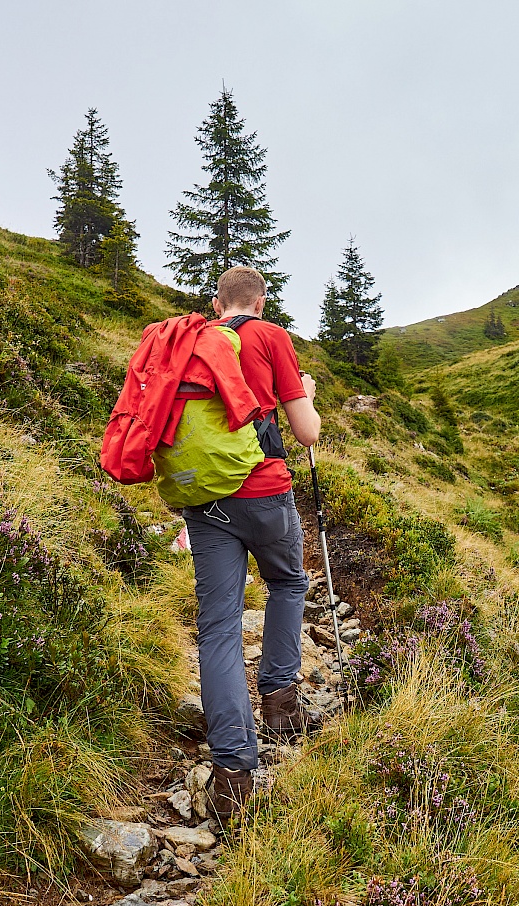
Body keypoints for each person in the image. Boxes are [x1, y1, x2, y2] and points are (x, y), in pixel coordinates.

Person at [183, 265, 322, 829]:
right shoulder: (270, 337)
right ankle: (280, 703)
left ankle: (233, 776)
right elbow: (306, 431)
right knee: (288, 582)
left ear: (217, 302)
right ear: (261, 301)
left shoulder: (193, 341)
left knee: (218, 625)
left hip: (205, 498)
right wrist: (306, 394)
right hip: (264, 491)